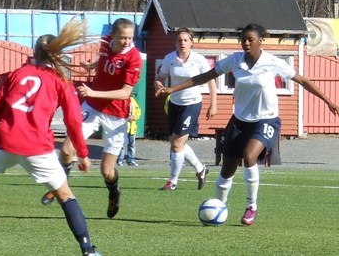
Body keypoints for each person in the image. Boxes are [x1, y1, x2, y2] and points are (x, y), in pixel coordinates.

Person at [0, 19, 101, 256]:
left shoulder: (17, 74)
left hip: (4, 143)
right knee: (65, 196)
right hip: (37, 147)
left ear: (34, 53)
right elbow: (74, 121)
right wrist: (83, 154)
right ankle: (88, 249)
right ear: (57, 54)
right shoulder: (61, 81)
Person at [156, 23, 339, 225]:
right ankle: (218, 206)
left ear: (261, 41)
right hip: (240, 120)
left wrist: (329, 101)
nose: (245, 43)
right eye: (243, 39)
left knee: (249, 155)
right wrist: (172, 90)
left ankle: (252, 206)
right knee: (227, 169)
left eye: (250, 39)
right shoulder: (235, 60)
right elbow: (204, 77)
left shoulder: (272, 62)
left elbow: (303, 81)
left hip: (266, 119)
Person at [40, 18, 142, 219]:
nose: (126, 41)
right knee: (68, 149)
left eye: (130, 37)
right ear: (112, 36)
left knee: (106, 170)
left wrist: (93, 93)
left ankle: (114, 192)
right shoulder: (106, 44)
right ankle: (60, 184)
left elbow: (124, 93)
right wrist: (92, 66)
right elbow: (106, 60)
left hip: (117, 115)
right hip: (93, 108)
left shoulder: (134, 58)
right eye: (122, 37)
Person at [154, 27, 217, 191]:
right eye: (179, 40)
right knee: (176, 143)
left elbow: (210, 80)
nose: (182, 43)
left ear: (191, 42)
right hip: (174, 103)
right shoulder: (169, 59)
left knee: (177, 144)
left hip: (192, 104)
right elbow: (160, 77)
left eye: (185, 40)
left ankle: (172, 181)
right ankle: (200, 169)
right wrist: (158, 84)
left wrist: (213, 103)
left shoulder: (199, 60)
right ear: (175, 42)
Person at [117, 96, 141, 167]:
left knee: (132, 145)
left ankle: (131, 160)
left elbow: (138, 112)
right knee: (122, 145)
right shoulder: (120, 100)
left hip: (132, 128)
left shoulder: (133, 100)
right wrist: (126, 118)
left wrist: (134, 117)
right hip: (123, 127)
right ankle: (120, 160)